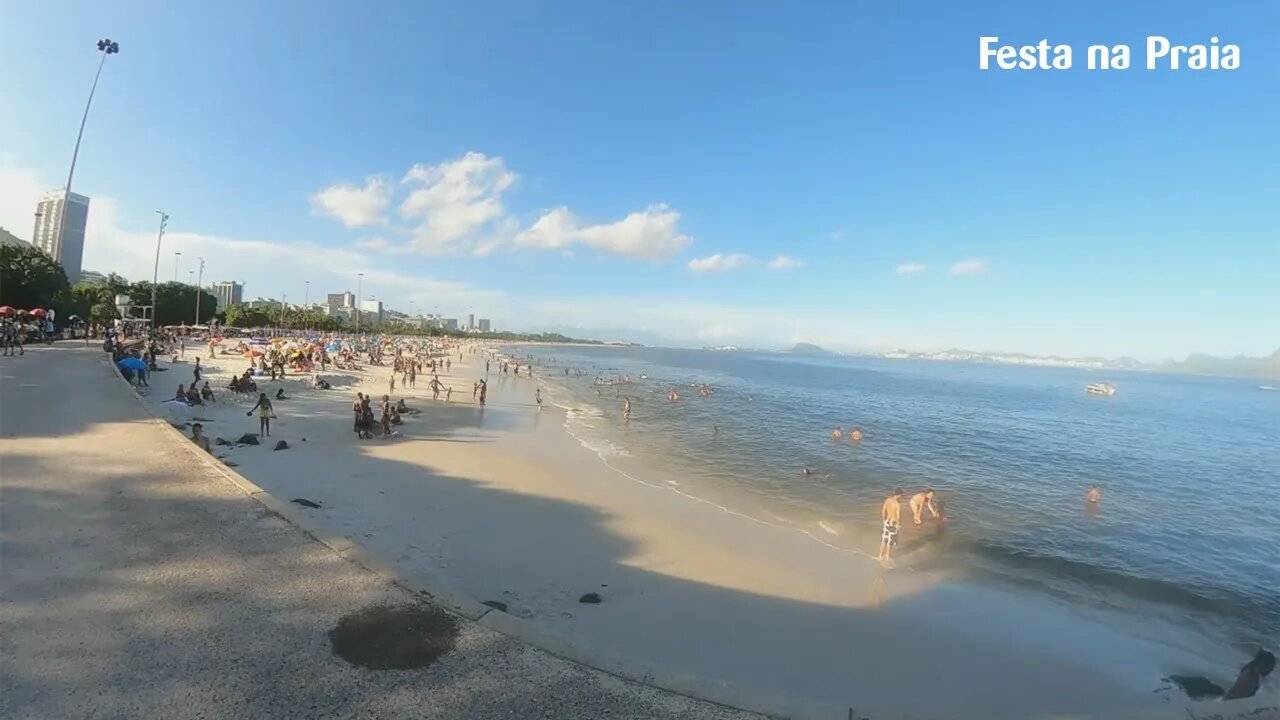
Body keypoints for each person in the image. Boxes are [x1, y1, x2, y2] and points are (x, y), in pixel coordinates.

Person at [878, 489, 904, 565]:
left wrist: (884, 520)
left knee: (884, 539)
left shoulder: (887, 500)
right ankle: (887, 557)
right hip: (893, 523)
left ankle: (880, 555)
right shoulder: (897, 504)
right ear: (899, 495)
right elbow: (898, 516)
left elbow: (883, 511)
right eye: (901, 495)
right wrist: (898, 525)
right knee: (891, 541)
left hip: (886, 521)